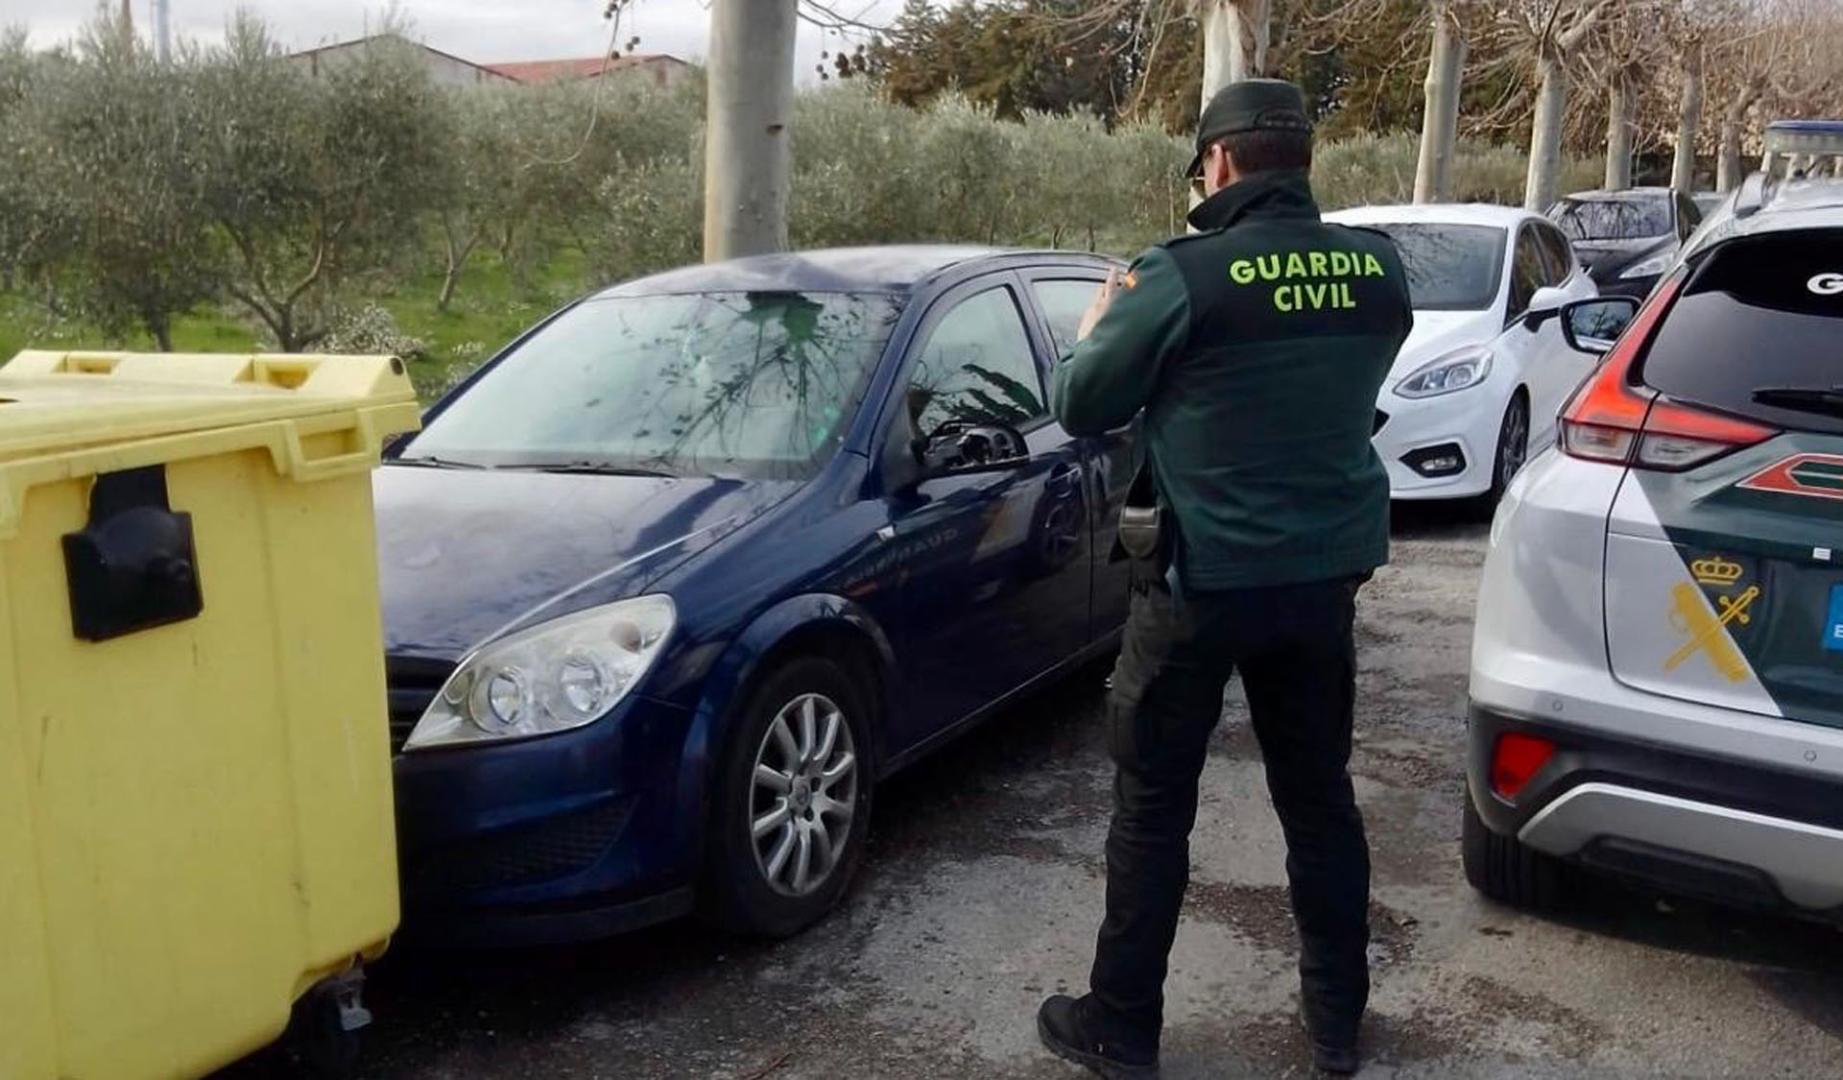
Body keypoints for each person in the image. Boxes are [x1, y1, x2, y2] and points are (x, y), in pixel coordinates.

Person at [1035, 79, 1413, 1079]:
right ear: (1300, 161)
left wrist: (1097, 322)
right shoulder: (1377, 273)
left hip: (1198, 585)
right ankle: (1336, 1025)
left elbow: (1082, 403)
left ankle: (1121, 1026)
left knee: (1153, 810)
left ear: (1220, 163)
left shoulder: (1180, 274)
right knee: (1318, 801)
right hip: (1320, 583)